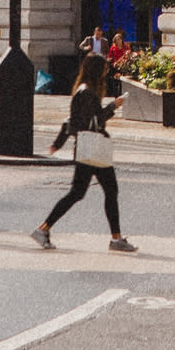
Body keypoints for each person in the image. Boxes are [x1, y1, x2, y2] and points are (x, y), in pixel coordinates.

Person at [31, 55, 136, 252]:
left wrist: (58, 143)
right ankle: (43, 228)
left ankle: (116, 238)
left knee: (93, 192)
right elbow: (95, 121)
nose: (106, 72)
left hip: (87, 148)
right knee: (84, 193)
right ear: (97, 71)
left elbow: (70, 123)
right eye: (104, 69)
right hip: (92, 149)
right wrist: (114, 106)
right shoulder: (87, 93)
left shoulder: (83, 90)